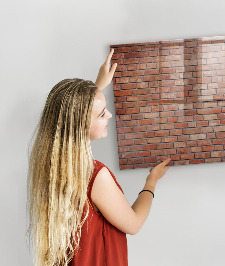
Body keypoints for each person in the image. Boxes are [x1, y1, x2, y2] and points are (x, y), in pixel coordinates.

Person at [27, 49, 170, 266]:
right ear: (81, 123)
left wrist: (97, 86)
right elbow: (134, 224)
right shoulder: (95, 176)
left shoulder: (49, 164)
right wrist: (151, 181)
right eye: (102, 113)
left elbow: (73, 114)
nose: (109, 115)